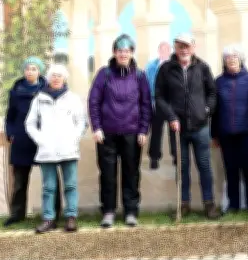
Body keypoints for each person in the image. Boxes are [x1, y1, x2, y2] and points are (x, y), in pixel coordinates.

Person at [88, 35, 152, 228]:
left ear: (132, 53)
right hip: (106, 134)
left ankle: (131, 212)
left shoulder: (140, 76)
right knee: (107, 174)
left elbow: (146, 104)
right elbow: (94, 102)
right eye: (119, 50)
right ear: (114, 53)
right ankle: (108, 211)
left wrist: (143, 130)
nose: (123, 54)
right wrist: (97, 127)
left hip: (132, 134)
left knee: (131, 173)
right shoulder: (104, 74)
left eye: (127, 50)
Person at [154, 33, 219, 219]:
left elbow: (212, 92)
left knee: (204, 167)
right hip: (178, 128)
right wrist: (171, 116)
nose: (183, 49)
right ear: (175, 47)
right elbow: (159, 96)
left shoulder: (202, 67)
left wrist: (206, 110)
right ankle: (183, 204)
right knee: (182, 168)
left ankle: (209, 204)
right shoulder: (166, 69)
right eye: (180, 46)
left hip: (200, 127)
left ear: (193, 47)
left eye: (186, 46)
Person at [24, 64, 87, 234]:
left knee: (70, 185)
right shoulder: (39, 98)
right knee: (48, 187)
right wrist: (40, 140)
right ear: (49, 78)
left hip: (68, 149)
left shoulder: (72, 98)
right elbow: (30, 124)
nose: (56, 78)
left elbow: (81, 122)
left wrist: (74, 138)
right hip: (47, 150)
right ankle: (48, 219)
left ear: (64, 78)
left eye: (59, 76)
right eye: (53, 75)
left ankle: (71, 217)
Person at [4, 57, 61, 227]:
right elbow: (10, 116)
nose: (30, 72)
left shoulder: (48, 89)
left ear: (40, 71)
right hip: (21, 138)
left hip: (42, 138)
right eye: (28, 68)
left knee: (50, 178)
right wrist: (10, 133)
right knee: (20, 180)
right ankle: (17, 214)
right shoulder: (16, 90)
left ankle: (54, 213)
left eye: (34, 69)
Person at [212, 45, 248, 215]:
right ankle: (233, 204)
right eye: (228, 57)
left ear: (241, 59)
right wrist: (214, 134)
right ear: (224, 61)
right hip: (226, 133)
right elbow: (215, 110)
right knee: (231, 169)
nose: (231, 60)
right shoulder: (218, 81)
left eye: (235, 57)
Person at [146, 41, 177, 167]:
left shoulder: (175, 65)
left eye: (167, 50)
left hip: (172, 103)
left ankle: (176, 155)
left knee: (173, 131)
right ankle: (154, 157)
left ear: (170, 51)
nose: (165, 52)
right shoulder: (152, 66)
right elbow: (147, 83)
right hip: (157, 102)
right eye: (162, 50)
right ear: (159, 51)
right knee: (156, 131)